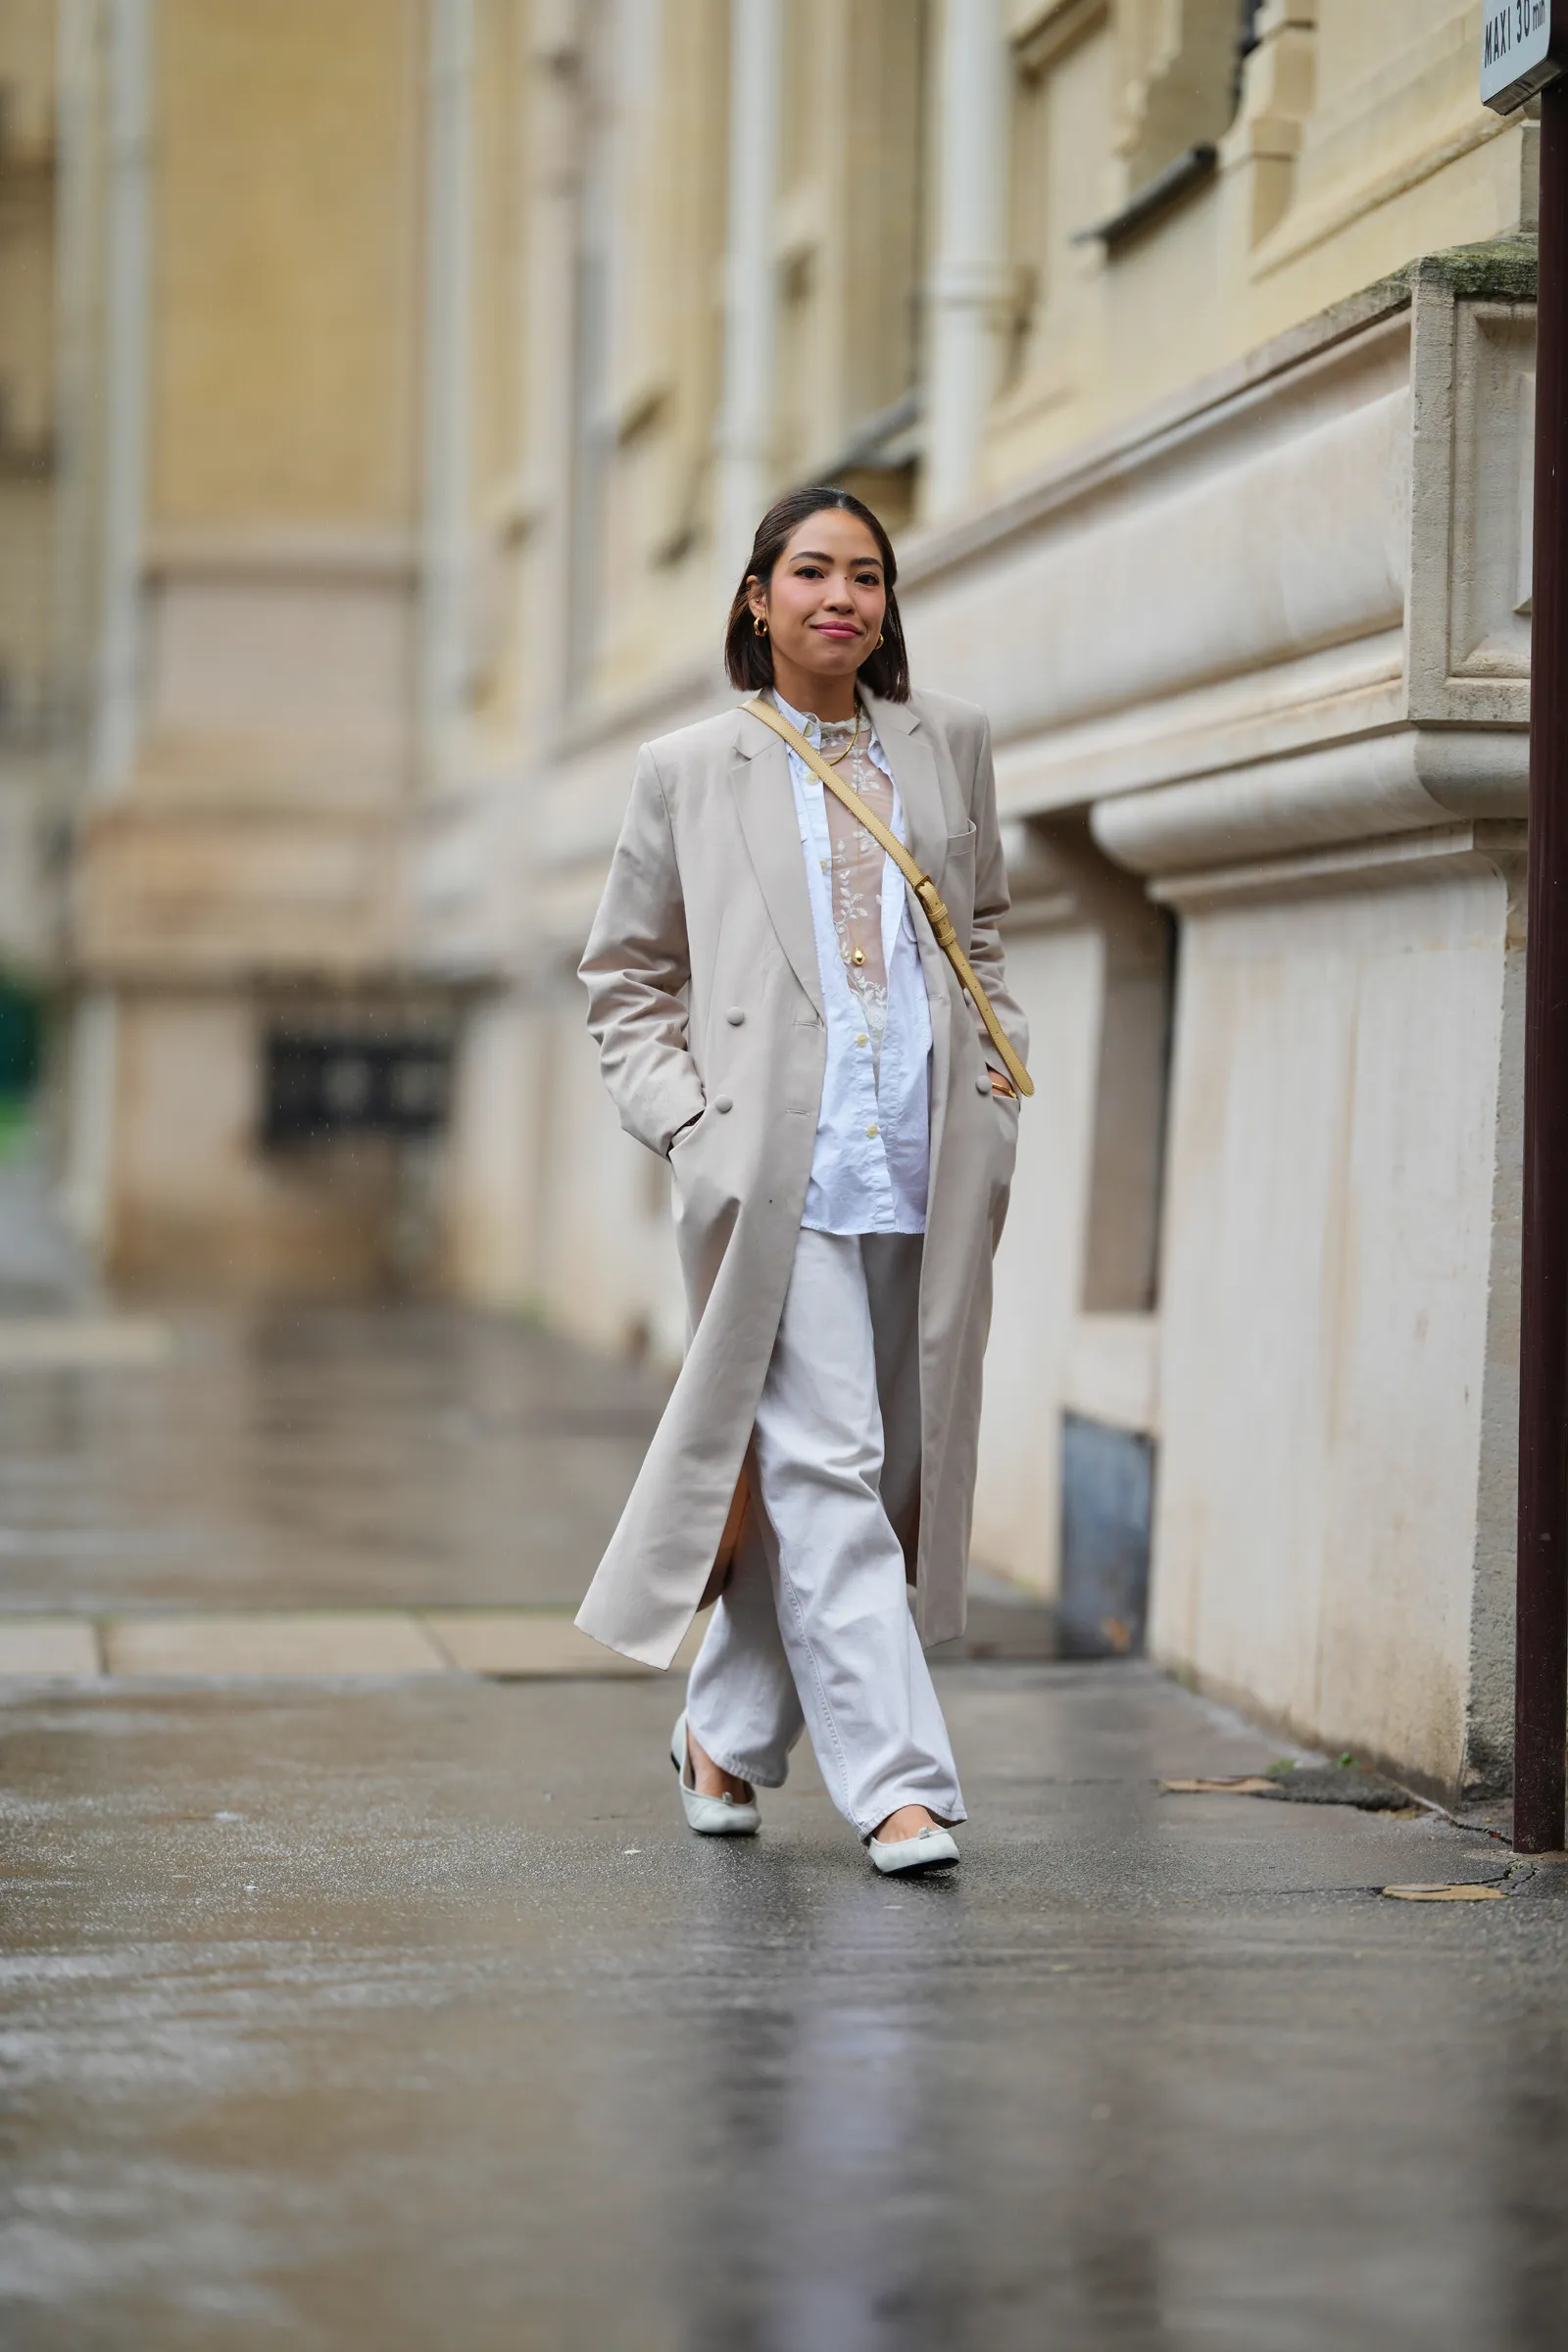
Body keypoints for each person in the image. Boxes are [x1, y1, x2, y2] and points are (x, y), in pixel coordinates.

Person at [575, 485, 1027, 1876]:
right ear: (756, 599)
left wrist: (1000, 1090)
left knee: (863, 1468)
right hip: (775, 1172)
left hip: (924, 1157)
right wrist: (690, 1125)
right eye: (813, 573)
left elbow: (983, 931)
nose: (843, 598)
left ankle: (722, 1732)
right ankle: (900, 1784)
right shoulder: (688, 765)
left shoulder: (946, 744)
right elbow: (624, 980)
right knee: (828, 1464)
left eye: (868, 578)